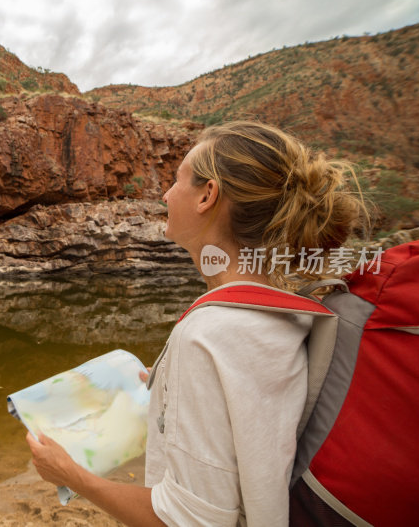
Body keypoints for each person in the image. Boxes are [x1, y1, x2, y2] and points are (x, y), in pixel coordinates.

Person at [26, 120, 369, 526]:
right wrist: (172, 385)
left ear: (208, 195)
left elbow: (187, 520)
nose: (167, 194)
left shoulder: (209, 334)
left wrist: (71, 475)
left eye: (177, 180)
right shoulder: (289, 310)